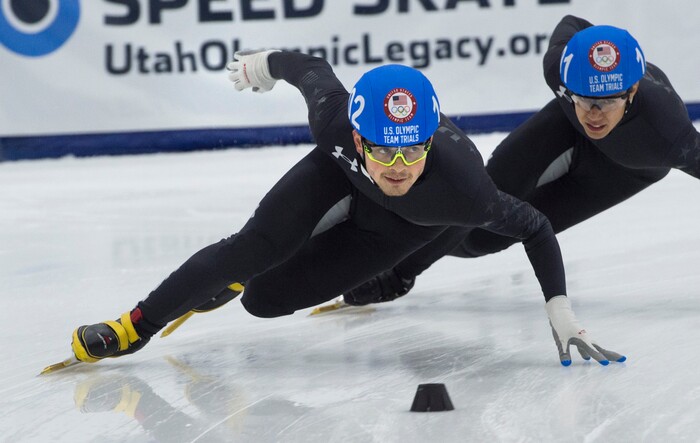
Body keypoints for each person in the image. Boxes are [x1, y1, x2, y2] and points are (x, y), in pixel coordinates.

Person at [68, 47, 624, 369]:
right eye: (384, 148)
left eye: (412, 150)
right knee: (252, 249)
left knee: (263, 301)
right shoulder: (336, 122)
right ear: (360, 139)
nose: (399, 165)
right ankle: (134, 326)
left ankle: (246, 284)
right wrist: (264, 64)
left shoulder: (465, 188)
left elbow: (536, 226)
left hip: (398, 228)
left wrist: (560, 309)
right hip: (335, 179)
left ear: (431, 141)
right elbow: (309, 67)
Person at [343, 16, 700, 316]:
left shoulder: (668, 135)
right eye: (584, 98)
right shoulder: (561, 67)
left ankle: (401, 269)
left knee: (483, 239)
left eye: (606, 102)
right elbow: (572, 24)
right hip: (564, 129)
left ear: (632, 91)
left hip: (625, 166)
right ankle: (399, 258)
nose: (593, 114)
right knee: (481, 193)